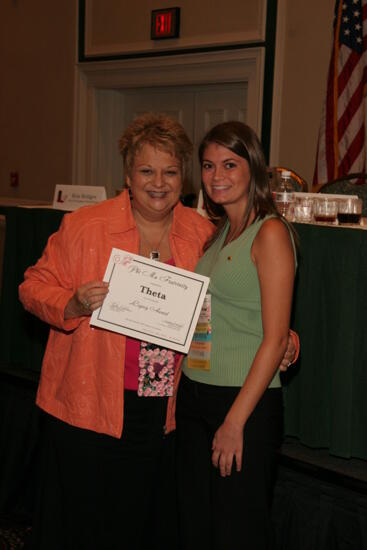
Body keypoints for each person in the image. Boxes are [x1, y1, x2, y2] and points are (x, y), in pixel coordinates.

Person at [18, 113, 297, 550]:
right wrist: (70, 303)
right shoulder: (85, 226)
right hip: (91, 405)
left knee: (149, 527)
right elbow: (32, 286)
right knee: (87, 527)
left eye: (170, 172)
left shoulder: (202, 231)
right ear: (128, 174)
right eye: (146, 170)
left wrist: (287, 340)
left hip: (166, 411)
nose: (159, 183)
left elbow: (232, 307)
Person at [176, 121, 297, 550]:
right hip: (195, 397)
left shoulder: (271, 232)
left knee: (238, 532)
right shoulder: (217, 234)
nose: (216, 176)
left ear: (254, 168)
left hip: (242, 403)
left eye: (229, 164)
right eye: (208, 166)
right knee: (198, 528)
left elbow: (275, 339)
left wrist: (234, 420)